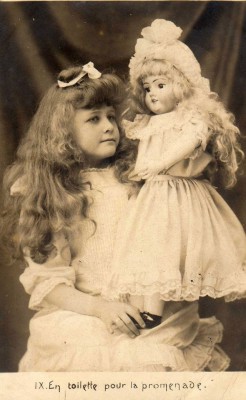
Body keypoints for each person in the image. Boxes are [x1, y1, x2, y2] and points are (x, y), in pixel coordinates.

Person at [1, 62, 230, 372]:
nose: (109, 126)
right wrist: (99, 308)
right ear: (63, 131)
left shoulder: (140, 177)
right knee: (85, 343)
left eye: (111, 116)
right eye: (93, 119)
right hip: (88, 310)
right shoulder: (52, 193)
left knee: (152, 353)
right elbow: (48, 282)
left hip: (149, 308)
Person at [103, 19, 246, 329]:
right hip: (153, 195)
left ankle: (163, 308)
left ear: (181, 86)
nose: (152, 93)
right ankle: (149, 309)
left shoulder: (190, 118)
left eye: (161, 85)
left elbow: (190, 142)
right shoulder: (146, 123)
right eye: (147, 87)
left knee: (173, 246)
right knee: (149, 247)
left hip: (179, 193)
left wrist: (161, 164)